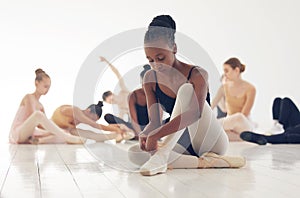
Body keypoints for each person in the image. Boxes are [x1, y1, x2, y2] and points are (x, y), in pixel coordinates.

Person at [128, 15, 245, 176]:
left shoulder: (197, 74)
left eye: (161, 58)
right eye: (150, 60)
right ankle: (205, 162)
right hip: (181, 144)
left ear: (174, 48)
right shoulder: (150, 78)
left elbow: (195, 114)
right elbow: (154, 122)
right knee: (134, 153)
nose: (156, 65)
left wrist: (157, 136)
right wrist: (146, 133)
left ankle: (166, 156)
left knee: (186, 90)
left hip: (210, 141)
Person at [9, 69, 85, 144]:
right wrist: (52, 131)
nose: (47, 90)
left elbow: (43, 125)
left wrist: (56, 131)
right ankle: (67, 137)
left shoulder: (40, 106)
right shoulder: (28, 97)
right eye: (45, 86)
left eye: (49, 87)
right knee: (38, 115)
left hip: (29, 134)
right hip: (19, 133)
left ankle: (39, 141)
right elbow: (32, 117)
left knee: (60, 133)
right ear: (36, 83)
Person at [104, 64, 152, 139]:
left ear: (112, 94)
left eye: (111, 99)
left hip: (146, 117)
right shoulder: (121, 109)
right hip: (135, 124)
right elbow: (121, 122)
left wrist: (107, 62)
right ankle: (132, 133)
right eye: (110, 102)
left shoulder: (124, 91)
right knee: (108, 117)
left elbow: (117, 74)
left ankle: (137, 133)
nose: (112, 102)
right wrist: (117, 128)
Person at [214, 57, 256, 141]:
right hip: (229, 125)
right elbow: (221, 108)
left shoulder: (250, 88)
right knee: (217, 136)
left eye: (227, 71)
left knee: (238, 117)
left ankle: (210, 126)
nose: (224, 74)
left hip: (243, 123)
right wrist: (222, 91)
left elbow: (244, 114)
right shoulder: (224, 87)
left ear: (236, 70)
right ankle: (248, 138)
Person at [51, 101, 135, 142]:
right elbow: (94, 125)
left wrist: (116, 127)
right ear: (88, 110)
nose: (91, 121)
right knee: (78, 132)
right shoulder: (76, 111)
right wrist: (115, 129)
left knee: (90, 134)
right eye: (92, 118)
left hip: (65, 130)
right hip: (51, 127)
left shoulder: (81, 117)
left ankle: (117, 134)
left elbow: (98, 125)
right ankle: (118, 131)